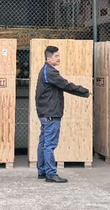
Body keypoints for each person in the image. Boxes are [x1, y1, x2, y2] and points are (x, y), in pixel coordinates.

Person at [36, 45, 90, 183]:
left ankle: (42, 170)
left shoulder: (45, 71)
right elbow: (65, 85)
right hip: (50, 113)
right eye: (56, 56)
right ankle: (50, 174)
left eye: (58, 56)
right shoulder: (51, 72)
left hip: (45, 112)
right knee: (49, 144)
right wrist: (84, 91)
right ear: (48, 58)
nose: (58, 58)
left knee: (43, 142)